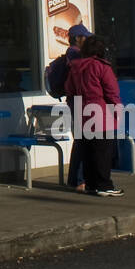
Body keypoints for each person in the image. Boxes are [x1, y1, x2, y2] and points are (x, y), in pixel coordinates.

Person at [64, 35, 125, 197]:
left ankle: (90, 184)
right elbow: (112, 93)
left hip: (82, 115)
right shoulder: (102, 67)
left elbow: (69, 92)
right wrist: (118, 112)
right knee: (103, 153)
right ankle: (104, 185)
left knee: (88, 152)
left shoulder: (75, 68)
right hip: (101, 115)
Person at [47, 23, 92, 191]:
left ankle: (75, 180)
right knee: (83, 140)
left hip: (75, 101)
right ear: (78, 38)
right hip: (79, 101)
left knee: (80, 140)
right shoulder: (75, 55)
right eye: (85, 37)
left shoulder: (72, 55)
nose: (87, 40)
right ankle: (80, 180)